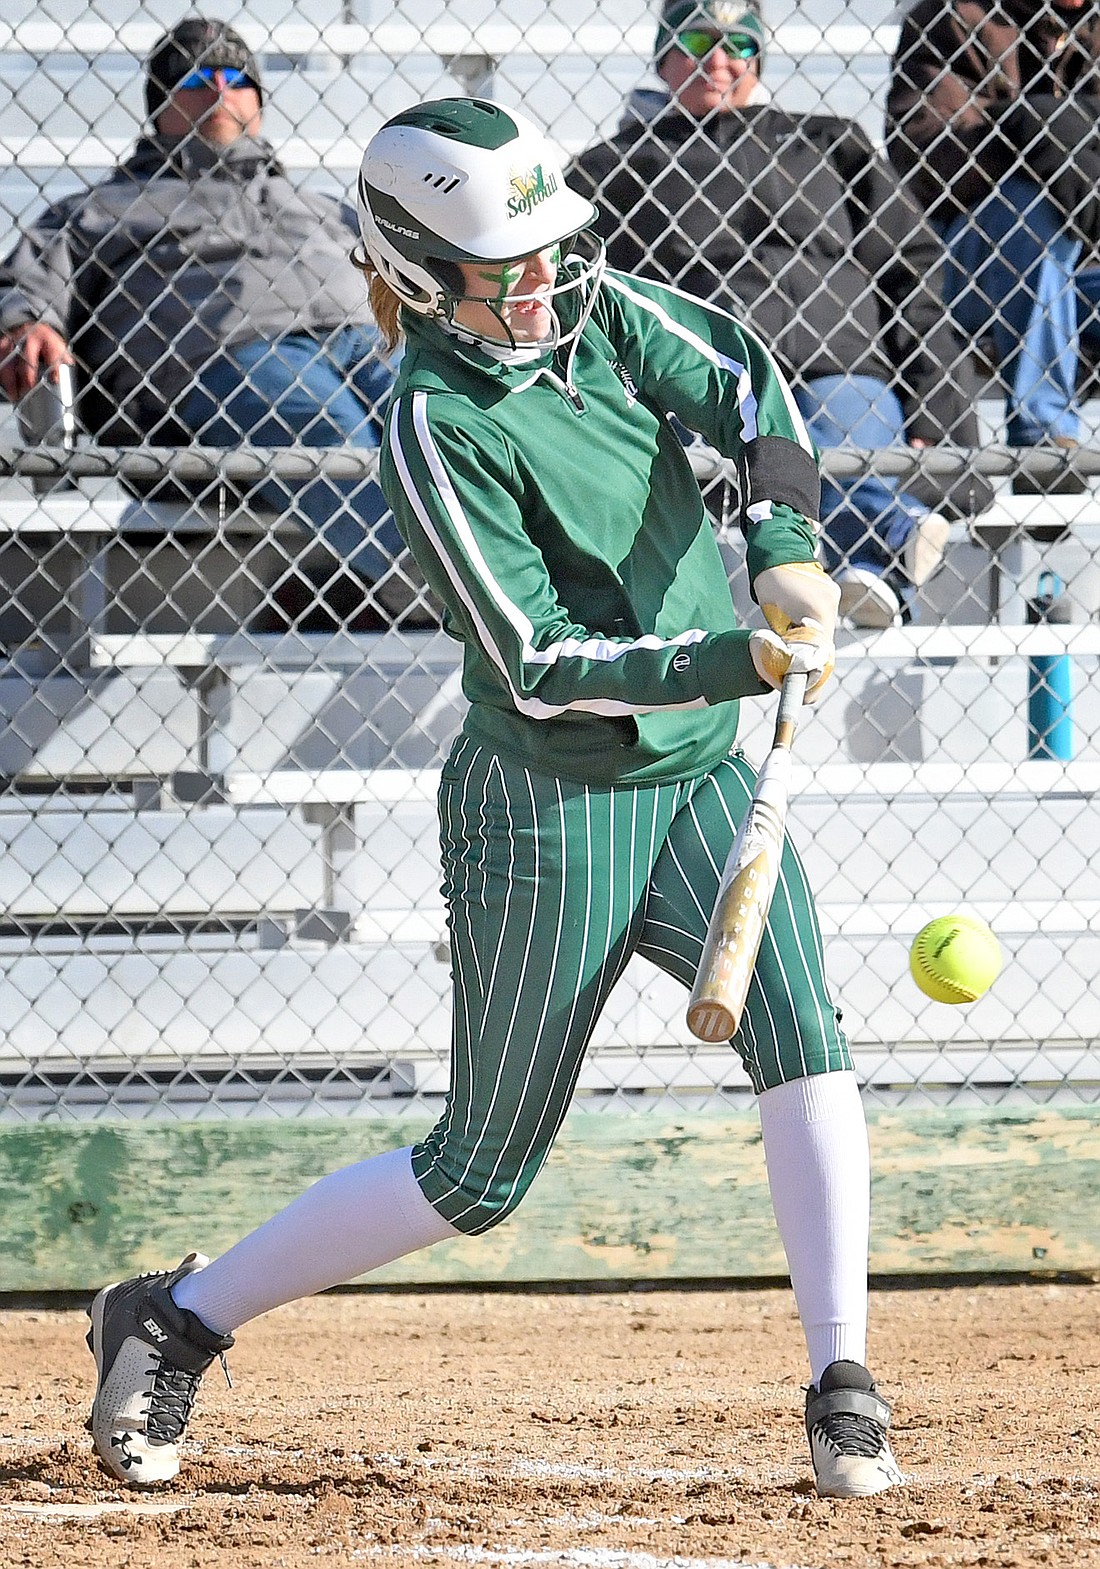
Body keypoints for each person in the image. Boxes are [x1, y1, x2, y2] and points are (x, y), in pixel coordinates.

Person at [83, 97, 902, 1502]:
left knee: (803, 1032)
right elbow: (534, 664)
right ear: (411, 273)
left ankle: (844, 1375)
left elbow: (755, 379)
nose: (536, 283)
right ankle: (173, 1316)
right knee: (479, 1174)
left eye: (543, 252)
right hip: (551, 807)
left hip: (701, 766)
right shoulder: (433, 425)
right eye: (495, 267)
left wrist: (784, 546)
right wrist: (736, 650)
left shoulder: (596, 314)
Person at [568, 0, 987, 629]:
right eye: (697, 39)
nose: (717, 60)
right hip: (707, 386)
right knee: (787, 434)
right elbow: (582, 297)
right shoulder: (615, 169)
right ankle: (888, 537)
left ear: (758, 57)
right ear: (664, 54)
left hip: (840, 362)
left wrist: (936, 401)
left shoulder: (827, 142)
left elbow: (910, 268)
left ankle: (870, 573)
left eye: (738, 45)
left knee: (853, 412)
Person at [0, 16, 420, 621]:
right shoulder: (100, 207)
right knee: (331, 432)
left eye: (235, 76)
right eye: (196, 77)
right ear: (160, 105)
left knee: (448, 422)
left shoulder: (318, 204)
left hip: (372, 341)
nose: (218, 89)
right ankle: (452, 596)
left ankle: (539, 577)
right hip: (230, 355)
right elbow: (29, 282)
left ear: (259, 100)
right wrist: (27, 322)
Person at [886, 0, 1100, 495]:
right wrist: (1021, 133)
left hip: (1082, 273)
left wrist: (1075, 128)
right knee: (1029, 206)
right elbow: (918, 160)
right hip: (970, 265)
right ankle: (1043, 442)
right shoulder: (954, 17)